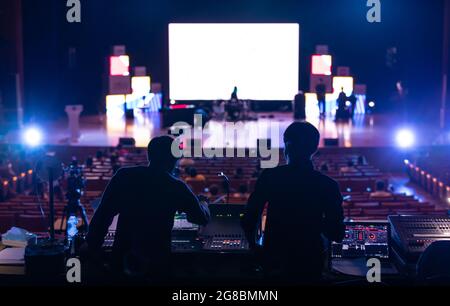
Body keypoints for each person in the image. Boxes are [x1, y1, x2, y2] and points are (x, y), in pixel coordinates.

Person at [86, 136, 210, 281]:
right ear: (175, 158)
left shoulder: (124, 176)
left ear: (149, 154)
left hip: (122, 260)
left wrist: (91, 246)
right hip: (156, 264)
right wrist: (203, 203)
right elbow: (200, 218)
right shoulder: (176, 186)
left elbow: (103, 214)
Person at [241, 122, 345, 284]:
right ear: (315, 149)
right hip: (311, 264)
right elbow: (337, 234)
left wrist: (256, 251)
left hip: (274, 262)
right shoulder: (329, 185)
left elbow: (249, 220)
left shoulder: (270, 177)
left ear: (286, 147)